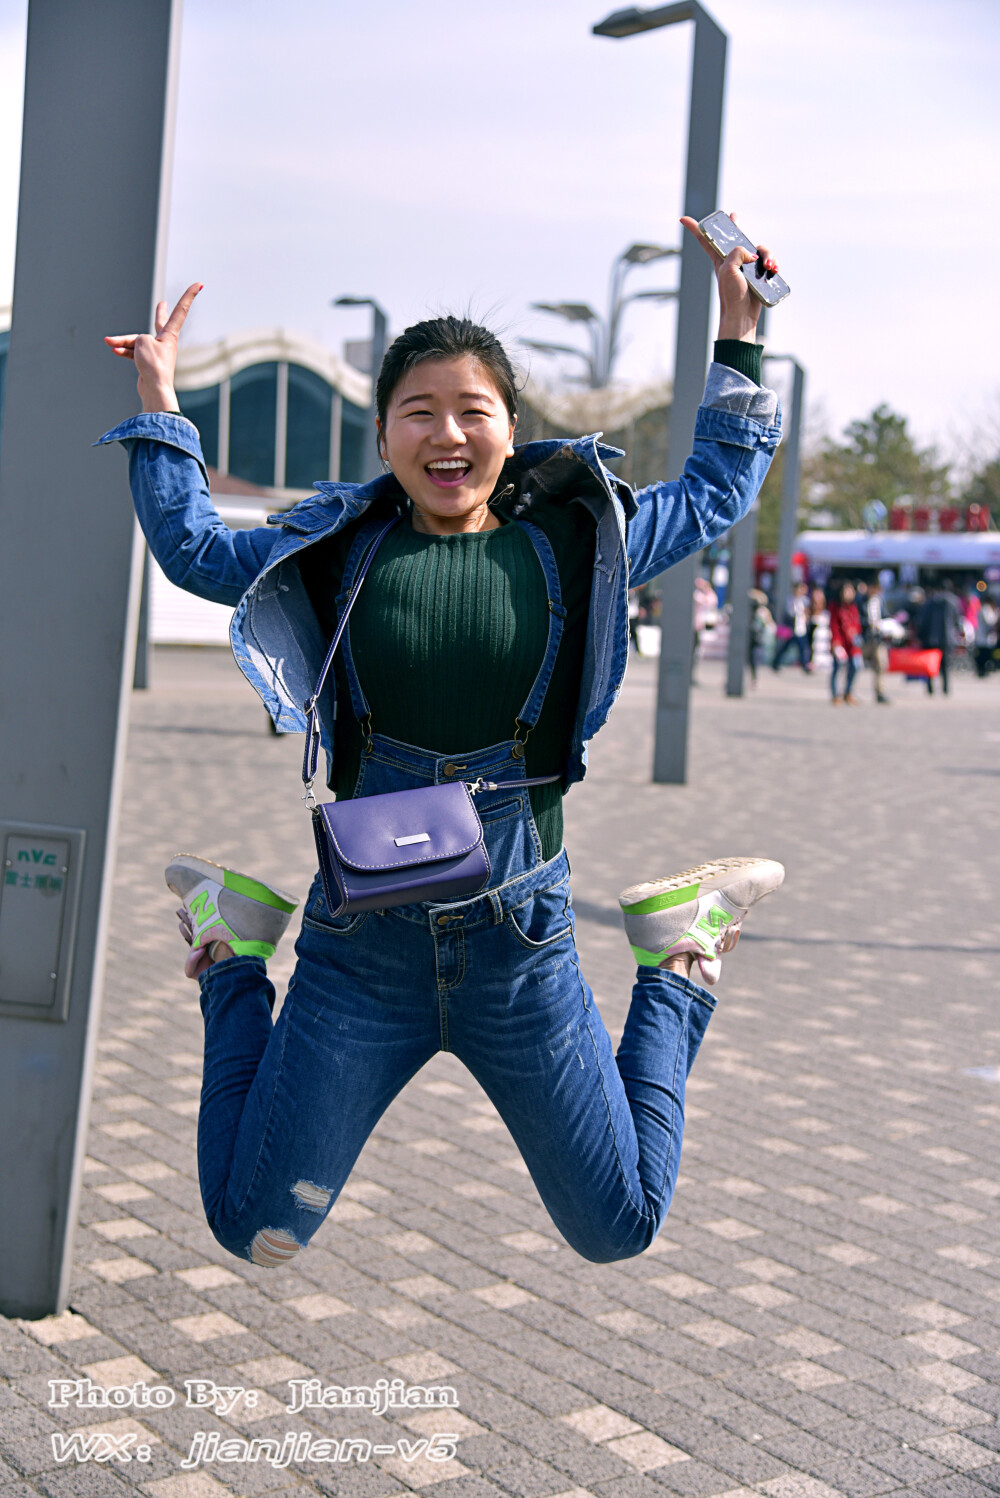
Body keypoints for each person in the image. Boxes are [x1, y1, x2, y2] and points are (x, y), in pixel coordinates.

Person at [98, 218, 785, 1270]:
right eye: (420, 411)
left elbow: (713, 491)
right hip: (358, 954)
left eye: (474, 410)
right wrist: (160, 403)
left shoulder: (577, 534)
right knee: (252, 1223)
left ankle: (678, 959)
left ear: (511, 427)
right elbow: (195, 552)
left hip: (521, 952)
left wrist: (739, 338)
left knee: (619, 1221)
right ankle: (234, 951)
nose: (447, 434)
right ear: (383, 437)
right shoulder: (333, 547)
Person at [917, 582, 961, 695]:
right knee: (946, 664)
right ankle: (946, 688)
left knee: (930, 665)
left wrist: (920, 636)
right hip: (947, 638)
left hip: (930, 638)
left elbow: (923, 622)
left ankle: (930, 688)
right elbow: (957, 621)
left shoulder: (929, 602)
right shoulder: (953, 602)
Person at [828, 581, 862, 703]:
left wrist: (855, 632)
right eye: (846, 591)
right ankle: (836, 694)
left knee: (857, 666)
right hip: (840, 643)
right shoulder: (835, 607)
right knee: (838, 667)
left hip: (852, 644)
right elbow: (833, 625)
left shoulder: (854, 607)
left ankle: (848, 692)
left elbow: (857, 624)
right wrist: (835, 642)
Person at [771, 581, 811, 672]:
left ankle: (805, 665)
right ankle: (776, 663)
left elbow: (808, 612)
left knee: (803, 648)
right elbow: (788, 613)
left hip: (801, 629)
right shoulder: (791, 600)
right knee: (785, 647)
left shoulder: (805, 601)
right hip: (792, 629)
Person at [862, 577, 890, 704]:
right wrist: (869, 623)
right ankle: (847, 691)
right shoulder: (861, 601)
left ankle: (880, 692)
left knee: (880, 666)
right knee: (854, 666)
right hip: (864, 640)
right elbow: (857, 618)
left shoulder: (880, 601)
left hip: (878, 639)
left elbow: (885, 615)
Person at [973, 594, 998, 678]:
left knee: (981, 655)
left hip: (981, 637)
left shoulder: (981, 608)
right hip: (985, 637)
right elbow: (990, 621)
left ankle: (981, 671)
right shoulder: (986, 609)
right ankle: (983, 671)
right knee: (985, 655)